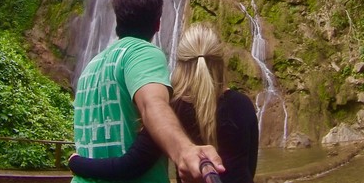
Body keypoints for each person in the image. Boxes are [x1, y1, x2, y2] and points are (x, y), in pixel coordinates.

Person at [71, 0, 224, 183]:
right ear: (158, 24)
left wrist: (75, 162)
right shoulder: (143, 53)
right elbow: (152, 104)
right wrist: (184, 151)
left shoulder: (91, 67)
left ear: (118, 21)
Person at [70, 23, 259, 183]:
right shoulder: (243, 105)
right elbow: (249, 168)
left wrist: (76, 162)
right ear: (220, 62)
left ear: (180, 64)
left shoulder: (169, 111)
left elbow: (128, 167)